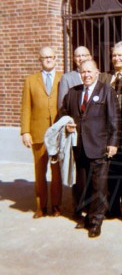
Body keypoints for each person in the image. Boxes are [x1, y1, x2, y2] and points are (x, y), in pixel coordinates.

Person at [59, 60, 120, 238]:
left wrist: (113, 143)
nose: (86, 75)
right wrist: (67, 124)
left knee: (99, 186)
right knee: (83, 185)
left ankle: (96, 222)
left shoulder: (106, 90)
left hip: (100, 146)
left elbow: (114, 119)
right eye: (83, 72)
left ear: (97, 72)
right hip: (80, 147)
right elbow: (63, 113)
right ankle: (87, 215)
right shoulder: (73, 92)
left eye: (89, 71)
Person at [21, 46, 62, 218]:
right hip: (37, 132)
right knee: (39, 171)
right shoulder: (30, 80)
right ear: (40, 60)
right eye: (44, 57)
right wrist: (25, 131)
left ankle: (56, 205)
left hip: (57, 133)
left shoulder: (63, 78)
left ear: (55, 58)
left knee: (56, 171)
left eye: (51, 57)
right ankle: (41, 206)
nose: (48, 60)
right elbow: (26, 108)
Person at [99, 41, 122, 223]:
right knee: (111, 171)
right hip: (108, 132)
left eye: (120, 55)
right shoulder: (104, 77)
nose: (116, 58)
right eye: (114, 55)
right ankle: (113, 207)